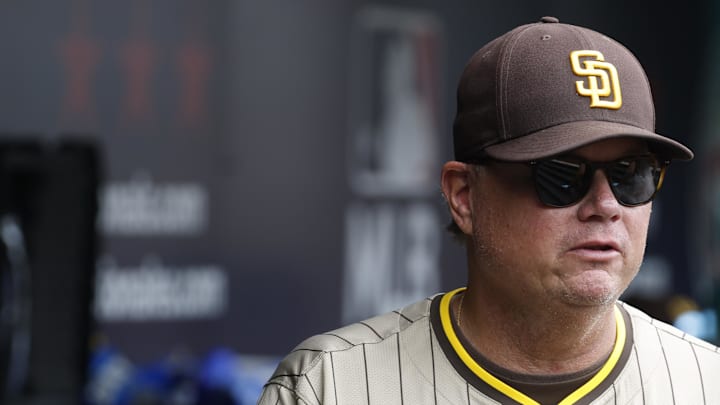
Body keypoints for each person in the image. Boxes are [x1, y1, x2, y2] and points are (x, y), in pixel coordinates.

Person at [258, 17, 720, 405]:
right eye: (561, 175)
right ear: (464, 196)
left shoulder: (706, 383)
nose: (605, 206)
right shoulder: (328, 387)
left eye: (631, 175)